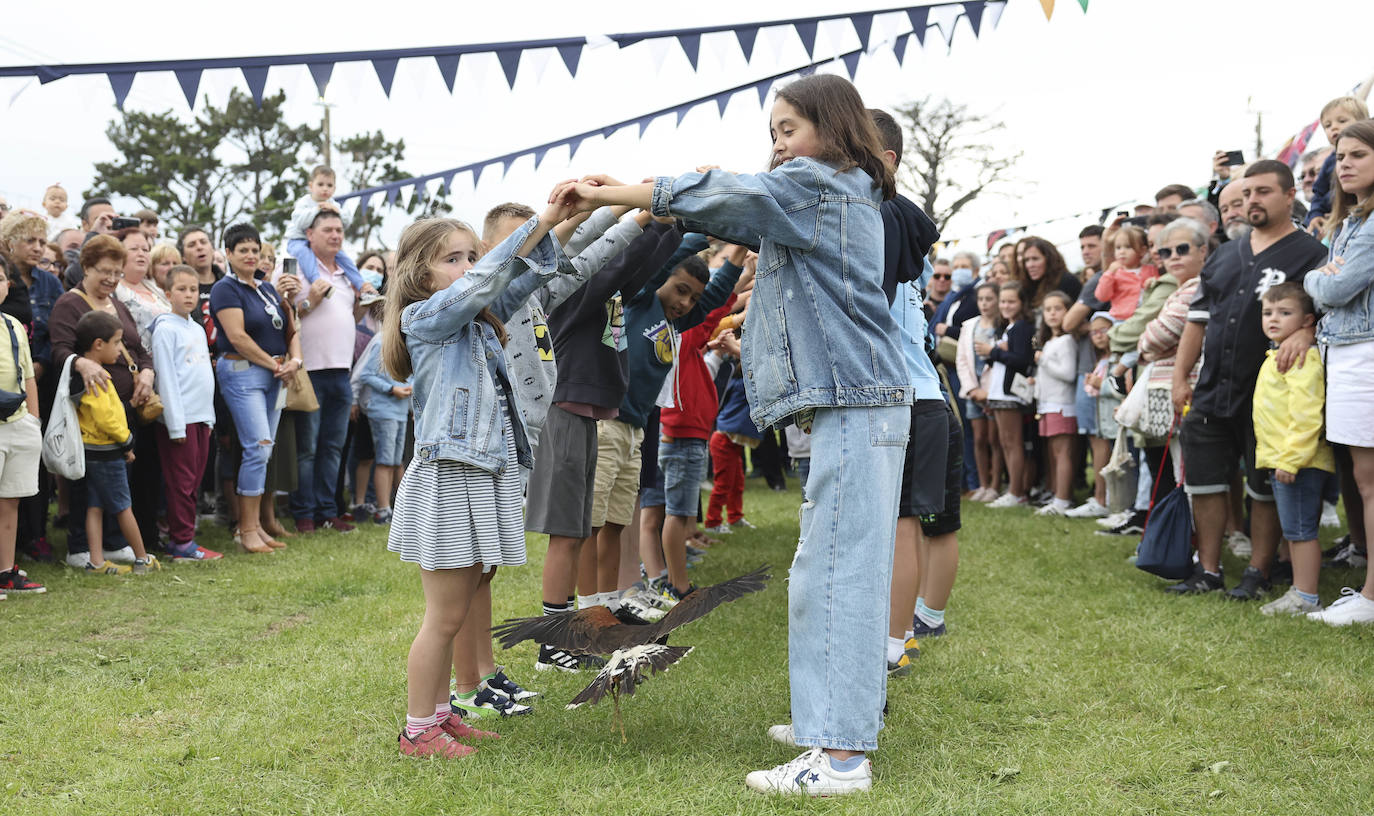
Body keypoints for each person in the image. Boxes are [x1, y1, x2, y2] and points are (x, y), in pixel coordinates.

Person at [554, 73, 911, 795]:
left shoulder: (818, 185)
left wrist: (608, 195)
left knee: (837, 578)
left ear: (834, 129)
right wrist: (637, 194)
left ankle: (840, 756)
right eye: (772, 133)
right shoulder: (828, 193)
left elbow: (718, 195)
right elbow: (730, 211)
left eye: (789, 129)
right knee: (829, 572)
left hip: (857, 405)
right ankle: (834, 720)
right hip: (854, 406)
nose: (778, 146)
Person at [383, 196, 571, 758]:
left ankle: (441, 716)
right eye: (453, 259)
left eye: (472, 256)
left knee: (461, 609)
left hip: (480, 473)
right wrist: (539, 223)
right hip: (449, 479)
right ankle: (418, 731)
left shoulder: (476, 319)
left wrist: (566, 220)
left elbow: (511, 278)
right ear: (419, 275)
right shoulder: (426, 317)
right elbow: (487, 281)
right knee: (443, 617)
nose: (468, 268)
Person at [1167, 161, 1329, 598]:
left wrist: (1309, 329)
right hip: (1212, 385)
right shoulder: (1224, 253)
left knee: (1264, 488)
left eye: (1263, 192)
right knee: (1206, 482)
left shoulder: (1311, 254)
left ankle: (1259, 572)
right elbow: (1196, 321)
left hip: (1273, 393)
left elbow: (1327, 314)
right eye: (1246, 194)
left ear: (1289, 194)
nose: (1251, 202)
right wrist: (1182, 377)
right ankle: (1209, 569)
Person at [49, 235, 157, 568]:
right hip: (92, 411)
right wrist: (82, 363)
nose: (111, 278)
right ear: (86, 267)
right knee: (89, 484)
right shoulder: (70, 303)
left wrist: (147, 375)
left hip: (125, 406)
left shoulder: (118, 303)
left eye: (116, 271)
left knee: (117, 483)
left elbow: (137, 348)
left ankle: (112, 543)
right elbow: (59, 349)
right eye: (103, 271)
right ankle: (81, 547)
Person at [1305, 119, 1374, 625]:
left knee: (1370, 482)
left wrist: (1315, 277)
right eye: (1341, 155)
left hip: (1364, 354)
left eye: (1357, 155)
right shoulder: (1352, 221)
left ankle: (1371, 600)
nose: (1344, 164)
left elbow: (1333, 290)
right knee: (1363, 478)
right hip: (1348, 353)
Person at [209, 223, 303, 554]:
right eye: (243, 250)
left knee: (264, 449)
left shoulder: (267, 289)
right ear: (229, 254)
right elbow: (237, 337)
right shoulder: (225, 289)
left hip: (275, 374)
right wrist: (276, 365)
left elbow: (291, 329)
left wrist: (295, 361)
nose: (250, 256)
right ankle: (246, 529)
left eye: (255, 250)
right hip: (243, 372)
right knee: (257, 447)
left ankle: (257, 527)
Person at [1245, 283, 1331, 616]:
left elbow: (1308, 412)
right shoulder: (1279, 353)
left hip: (1299, 461)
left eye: (1285, 312)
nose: (1274, 319)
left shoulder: (1301, 357)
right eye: (1268, 312)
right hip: (1284, 458)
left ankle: (1307, 596)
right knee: (1294, 528)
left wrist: (1292, 459)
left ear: (1308, 319)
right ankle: (1300, 590)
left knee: (1300, 530)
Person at [286, 210, 361, 533]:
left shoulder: (346, 272)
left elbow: (350, 318)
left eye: (339, 230)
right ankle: (304, 512)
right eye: (327, 229)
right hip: (309, 370)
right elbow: (287, 313)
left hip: (340, 371)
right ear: (310, 235)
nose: (335, 235)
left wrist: (362, 304)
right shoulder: (295, 267)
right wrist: (310, 301)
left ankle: (327, 511)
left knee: (333, 446)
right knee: (308, 447)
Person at [70, 310, 159, 576]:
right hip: (107, 453)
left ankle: (96, 562)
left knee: (95, 506)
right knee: (123, 506)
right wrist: (127, 441)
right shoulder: (98, 378)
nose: (121, 350)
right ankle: (142, 559)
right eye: (117, 342)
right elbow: (106, 418)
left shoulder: (86, 376)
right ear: (99, 344)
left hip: (91, 453)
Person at [150, 266, 222, 562]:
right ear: (168, 294)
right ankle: (181, 542)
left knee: (193, 480)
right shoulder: (165, 329)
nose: (189, 294)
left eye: (193, 289)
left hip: (202, 417)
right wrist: (175, 426)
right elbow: (165, 378)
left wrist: (210, 417)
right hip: (180, 421)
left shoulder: (195, 327)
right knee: (181, 481)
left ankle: (184, 536)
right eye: (181, 289)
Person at [0, 262, 45, 596]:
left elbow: (27, 374)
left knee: (10, 500)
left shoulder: (13, 324)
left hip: (18, 422)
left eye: (0, 278)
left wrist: (34, 421)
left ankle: (5, 572)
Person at [979, 282, 1034, 508]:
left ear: (1021, 303)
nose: (1006, 305)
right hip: (999, 390)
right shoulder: (1009, 328)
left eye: (1012, 301)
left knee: (1013, 443)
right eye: (1003, 301)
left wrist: (992, 352)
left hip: (1011, 393)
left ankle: (1016, 491)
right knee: (1005, 442)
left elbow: (1022, 360)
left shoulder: (1021, 327)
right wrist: (993, 354)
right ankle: (1013, 489)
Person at [285, 166, 373, 295]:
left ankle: (362, 286)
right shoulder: (304, 202)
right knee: (304, 253)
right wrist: (317, 209)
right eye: (320, 184)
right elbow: (300, 222)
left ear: (334, 188)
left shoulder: (334, 204)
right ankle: (318, 282)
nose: (325, 188)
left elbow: (346, 222)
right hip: (298, 240)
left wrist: (336, 211)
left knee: (344, 258)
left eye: (329, 185)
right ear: (311, 186)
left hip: (324, 244)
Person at [354, 328, 409, 525]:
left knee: (396, 462)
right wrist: (391, 389)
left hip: (401, 410)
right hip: (383, 410)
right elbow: (366, 375)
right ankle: (383, 511)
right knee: (385, 461)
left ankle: (401, 510)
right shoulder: (382, 341)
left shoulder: (408, 341)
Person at [1032, 291, 1081, 516]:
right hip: (1047, 403)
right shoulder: (1050, 341)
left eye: (1057, 309)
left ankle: (1063, 500)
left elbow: (1069, 373)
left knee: (1063, 453)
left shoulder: (1067, 340)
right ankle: (1056, 494)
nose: (1052, 314)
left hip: (1061, 403)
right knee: (1053, 453)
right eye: (1048, 309)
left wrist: (1043, 361)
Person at [957, 282, 1003, 501]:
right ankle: (982, 485)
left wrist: (988, 392)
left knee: (996, 439)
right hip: (973, 392)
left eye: (989, 299)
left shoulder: (1002, 326)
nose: (984, 304)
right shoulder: (969, 325)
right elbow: (962, 360)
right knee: (979, 439)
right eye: (981, 299)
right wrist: (972, 389)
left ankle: (995, 485)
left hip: (994, 391)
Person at [1304, 96, 1369, 236]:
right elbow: (1318, 193)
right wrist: (1315, 215)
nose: (1334, 127)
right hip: (1334, 223)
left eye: (1342, 121)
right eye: (1327, 125)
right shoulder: (1329, 161)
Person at [113, 228, 171, 350]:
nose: (141, 254)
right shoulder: (113, 289)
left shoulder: (157, 290)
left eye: (145, 250)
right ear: (118, 253)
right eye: (134, 249)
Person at [1094, 226, 1158, 320]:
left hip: (1146, 318)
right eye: (1118, 248)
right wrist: (1109, 274)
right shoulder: (1115, 273)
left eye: (1128, 247)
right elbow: (1102, 296)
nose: (1122, 252)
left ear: (1143, 250)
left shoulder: (1151, 269)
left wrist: (1153, 281)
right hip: (1121, 319)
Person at [1015, 236, 1081, 308]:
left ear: (1049, 260)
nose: (1030, 265)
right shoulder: (1026, 287)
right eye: (1026, 260)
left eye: (1035, 259)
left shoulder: (1067, 281)